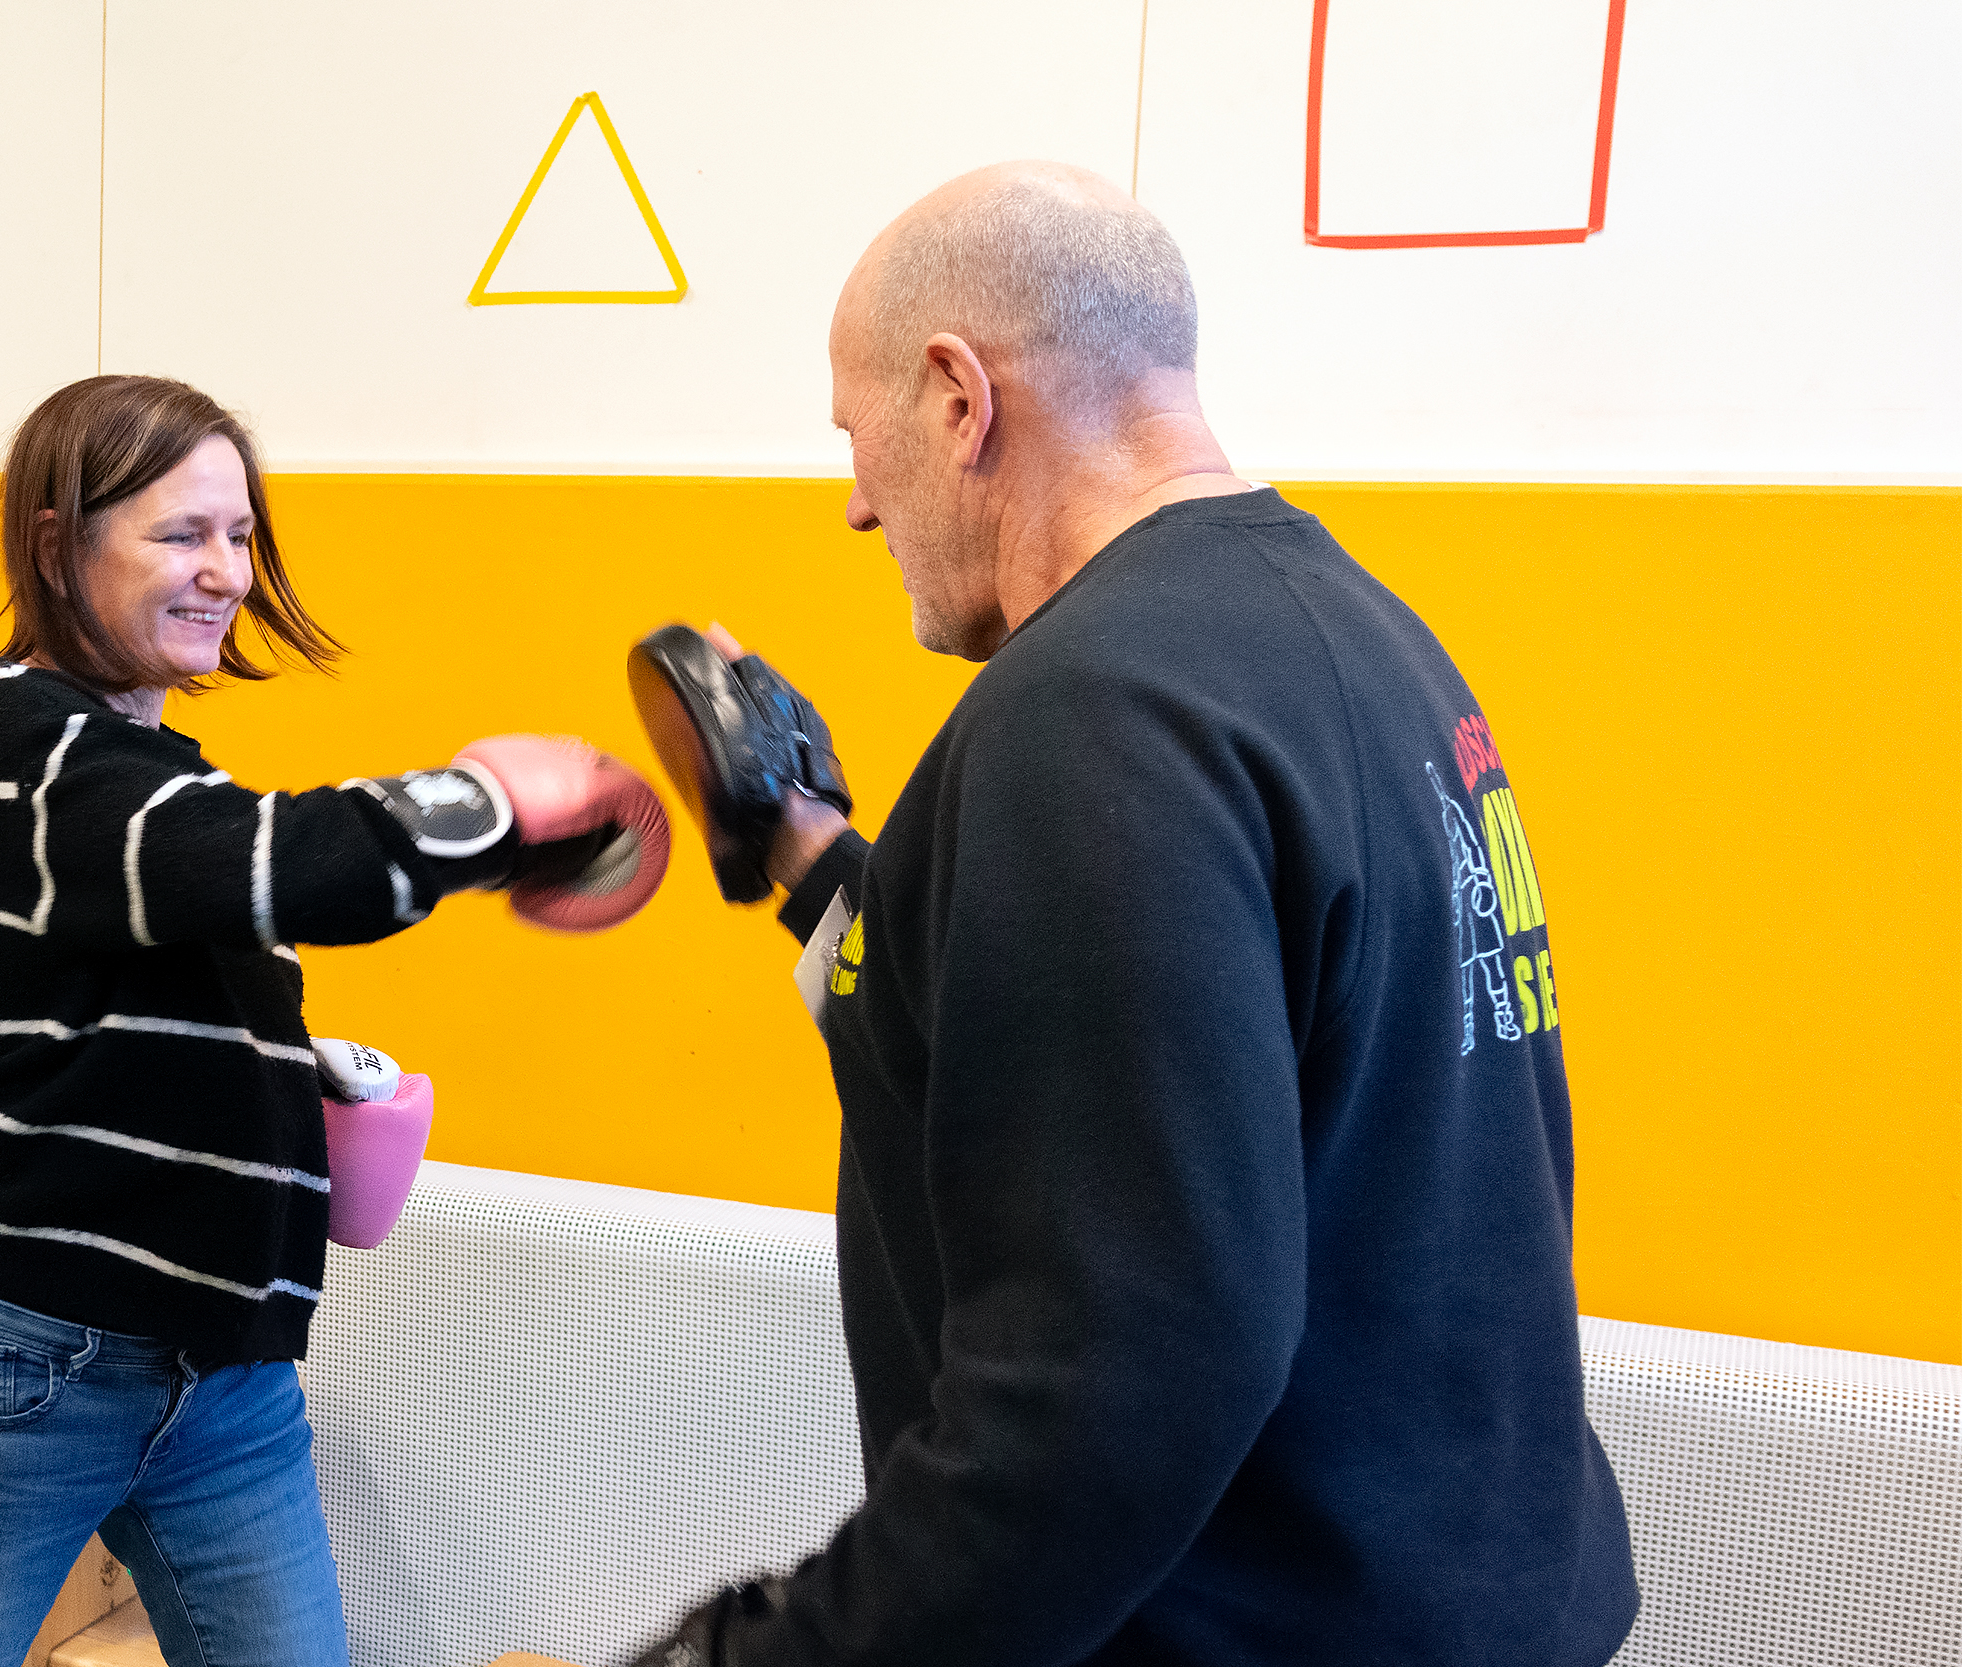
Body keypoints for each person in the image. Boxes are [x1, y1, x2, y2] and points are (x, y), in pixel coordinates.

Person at [624, 165, 1638, 1665]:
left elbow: (1111, 1381)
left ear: (959, 398)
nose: (857, 505)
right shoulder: (1355, 642)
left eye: (856, 438)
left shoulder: (1085, 719)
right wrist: (806, 845)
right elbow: (1157, 1053)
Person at [0, 375, 668, 1667]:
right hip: (17, 1359)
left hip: (220, 1375)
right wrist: (489, 806)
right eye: (182, 534)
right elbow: (273, 863)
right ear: (57, 547)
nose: (225, 571)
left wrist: (286, 1078)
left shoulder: (149, 773)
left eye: (238, 534)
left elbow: (123, 981)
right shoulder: (8, 738)